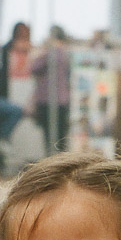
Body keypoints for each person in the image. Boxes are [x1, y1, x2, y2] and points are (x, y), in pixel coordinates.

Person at [30, 24, 71, 154]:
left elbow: (34, 68)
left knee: (49, 136)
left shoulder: (49, 53)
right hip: (63, 99)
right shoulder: (66, 53)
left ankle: (51, 163)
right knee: (61, 137)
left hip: (47, 100)